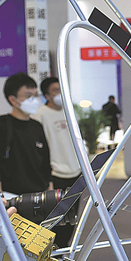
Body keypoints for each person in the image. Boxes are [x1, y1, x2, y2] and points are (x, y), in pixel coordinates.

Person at [0, 73, 51, 196]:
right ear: (13, 100)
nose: (34, 100)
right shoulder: (0, 125)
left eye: (36, 95)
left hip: (39, 192)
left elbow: (45, 161)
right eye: (28, 96)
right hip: (12, 194)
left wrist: (49, 188)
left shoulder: (37, 126)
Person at [34, 77, 81, 247]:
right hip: (56, 173)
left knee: (72, 217)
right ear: (47, 95)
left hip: (75, 171)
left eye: (61, 89)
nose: (59, 93)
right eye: (55, 90)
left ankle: (63, 250)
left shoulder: (70, 112)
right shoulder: (40, 115)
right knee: (55, 218)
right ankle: (52, 250)